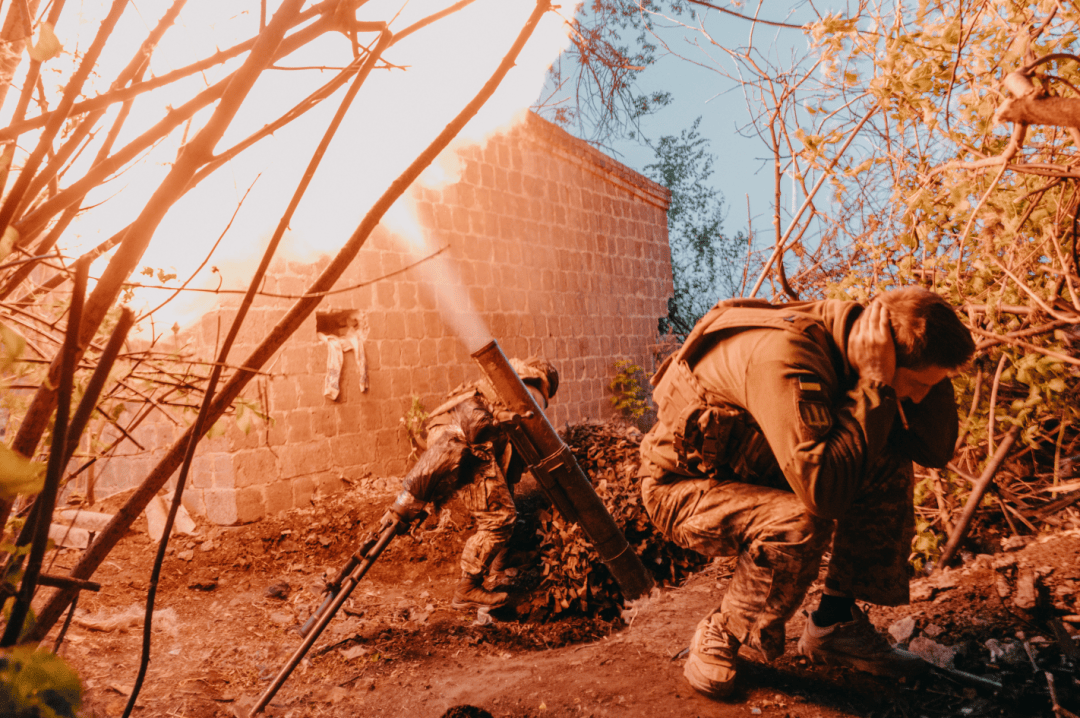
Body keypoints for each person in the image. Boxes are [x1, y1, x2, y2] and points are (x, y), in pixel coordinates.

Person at [638, 288, 975, 699]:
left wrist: (915, 377)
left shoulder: (853, 342)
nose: (922, 395)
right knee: (799, 520)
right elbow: (824, 496)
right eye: (920, 383)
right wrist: (875, 383)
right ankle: (722, 631)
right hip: (682, 491)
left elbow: (933, 450)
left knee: (883, 452)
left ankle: (834, 625)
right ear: (884, 356)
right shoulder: (788, 360)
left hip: (756, 467)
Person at [387, 356, 559, 611]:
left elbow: (505, 474)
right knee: (500, 519)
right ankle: (467, 589)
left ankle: (492, 567)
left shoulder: (508, 380)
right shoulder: (534, 389)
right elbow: (523, 432)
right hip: (466, 439)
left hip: (452, 433)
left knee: (499, 507)